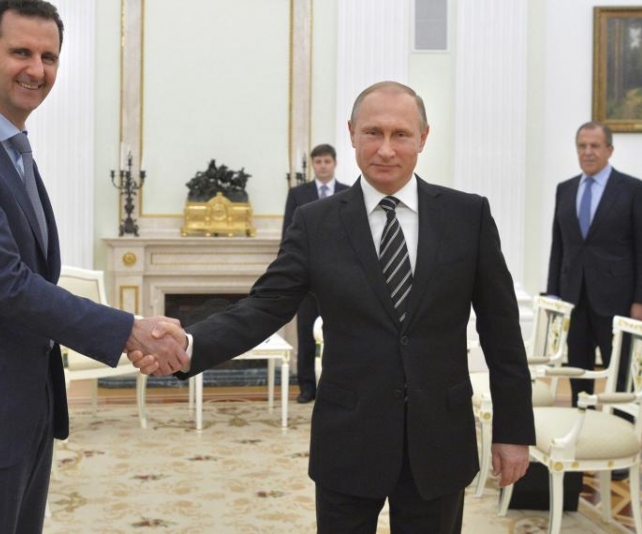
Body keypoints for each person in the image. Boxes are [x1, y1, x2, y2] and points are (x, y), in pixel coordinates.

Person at [135, 81, 535, 533]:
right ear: (351, 134)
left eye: (401, 134)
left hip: (438, 440)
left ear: (423, 137)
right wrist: (189, 343)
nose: (386, 149)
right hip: (349, 440)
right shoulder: (315, 222)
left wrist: (513, 430)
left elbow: (502, 331)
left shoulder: (467, 216)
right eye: (373, 132)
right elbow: (265, 307)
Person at [0, 1, 187, 532]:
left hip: (21, 408)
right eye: (21, 52)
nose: (37, 69)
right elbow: (5, 282)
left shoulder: (12, 150)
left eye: (49, 57)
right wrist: (129, 329)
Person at [547, 123, 642, 412]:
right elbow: (559, 247)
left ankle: (622, 427)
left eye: (595, 146)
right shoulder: (565, 190)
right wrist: (554, 297)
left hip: (618, 302)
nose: (588, 152)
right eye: (582, 146)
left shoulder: (633, 190)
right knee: (577, 370)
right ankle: (582, 425)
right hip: (574, 300)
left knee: (621, 373)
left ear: (610, 150)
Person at [282, 144, 349, 403]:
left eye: (326, 161)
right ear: (313, 164)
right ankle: (307, 387)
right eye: (318, 161)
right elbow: (289, 234)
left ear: (335, 163)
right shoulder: (298, 194)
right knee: (306, 334)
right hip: (307, 279)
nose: (322, 166)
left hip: (341, 278)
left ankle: (337, 386)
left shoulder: (349, 193)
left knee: (339, 335)